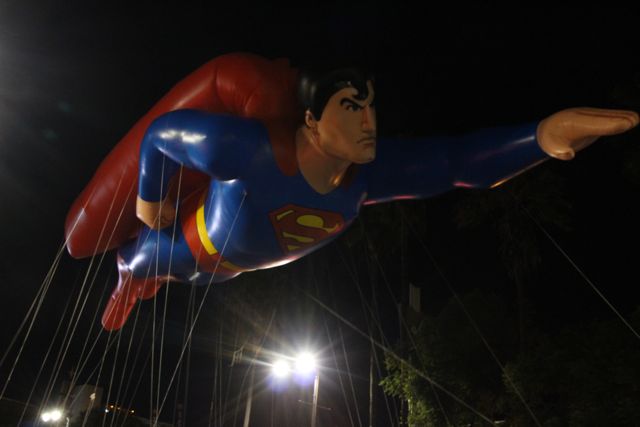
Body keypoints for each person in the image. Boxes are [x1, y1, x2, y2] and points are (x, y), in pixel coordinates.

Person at [64, 53, 639, 330]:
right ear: (312, 122)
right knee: (147, 262)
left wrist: (542, 136)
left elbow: (457, 162)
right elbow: (163, 136)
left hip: (234, 267)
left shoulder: (369, 177)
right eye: (351, 107)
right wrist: (149, 200)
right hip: (194, 244)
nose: (368, 121)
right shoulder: (249, 150)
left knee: (197, 278)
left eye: (370, 106)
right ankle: (128, 276)